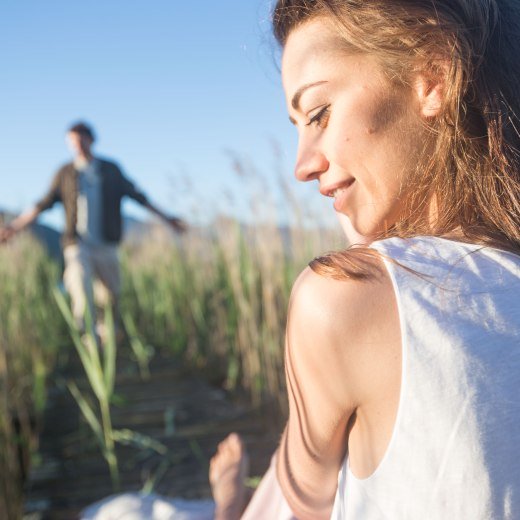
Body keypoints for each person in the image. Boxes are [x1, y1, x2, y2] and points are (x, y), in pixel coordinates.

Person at [211, 0, 520, 519]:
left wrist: (229, 507)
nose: (302, 166)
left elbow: (301, 508)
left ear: (433, 74)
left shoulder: (345, 301)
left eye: (318, 114)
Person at [0, 121, 186, 335]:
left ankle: (109, 340)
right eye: (72, 142)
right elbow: (42, 204)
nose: (77, 145)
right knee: (79, 284)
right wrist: (14, 227)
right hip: (78, 245)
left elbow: (139, 197)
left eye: (81, 140)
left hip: (107, 244)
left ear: (91, 139)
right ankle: (87, 339)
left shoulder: (110, 170)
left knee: (110, 296)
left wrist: (168, 219)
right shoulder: (65, 173)